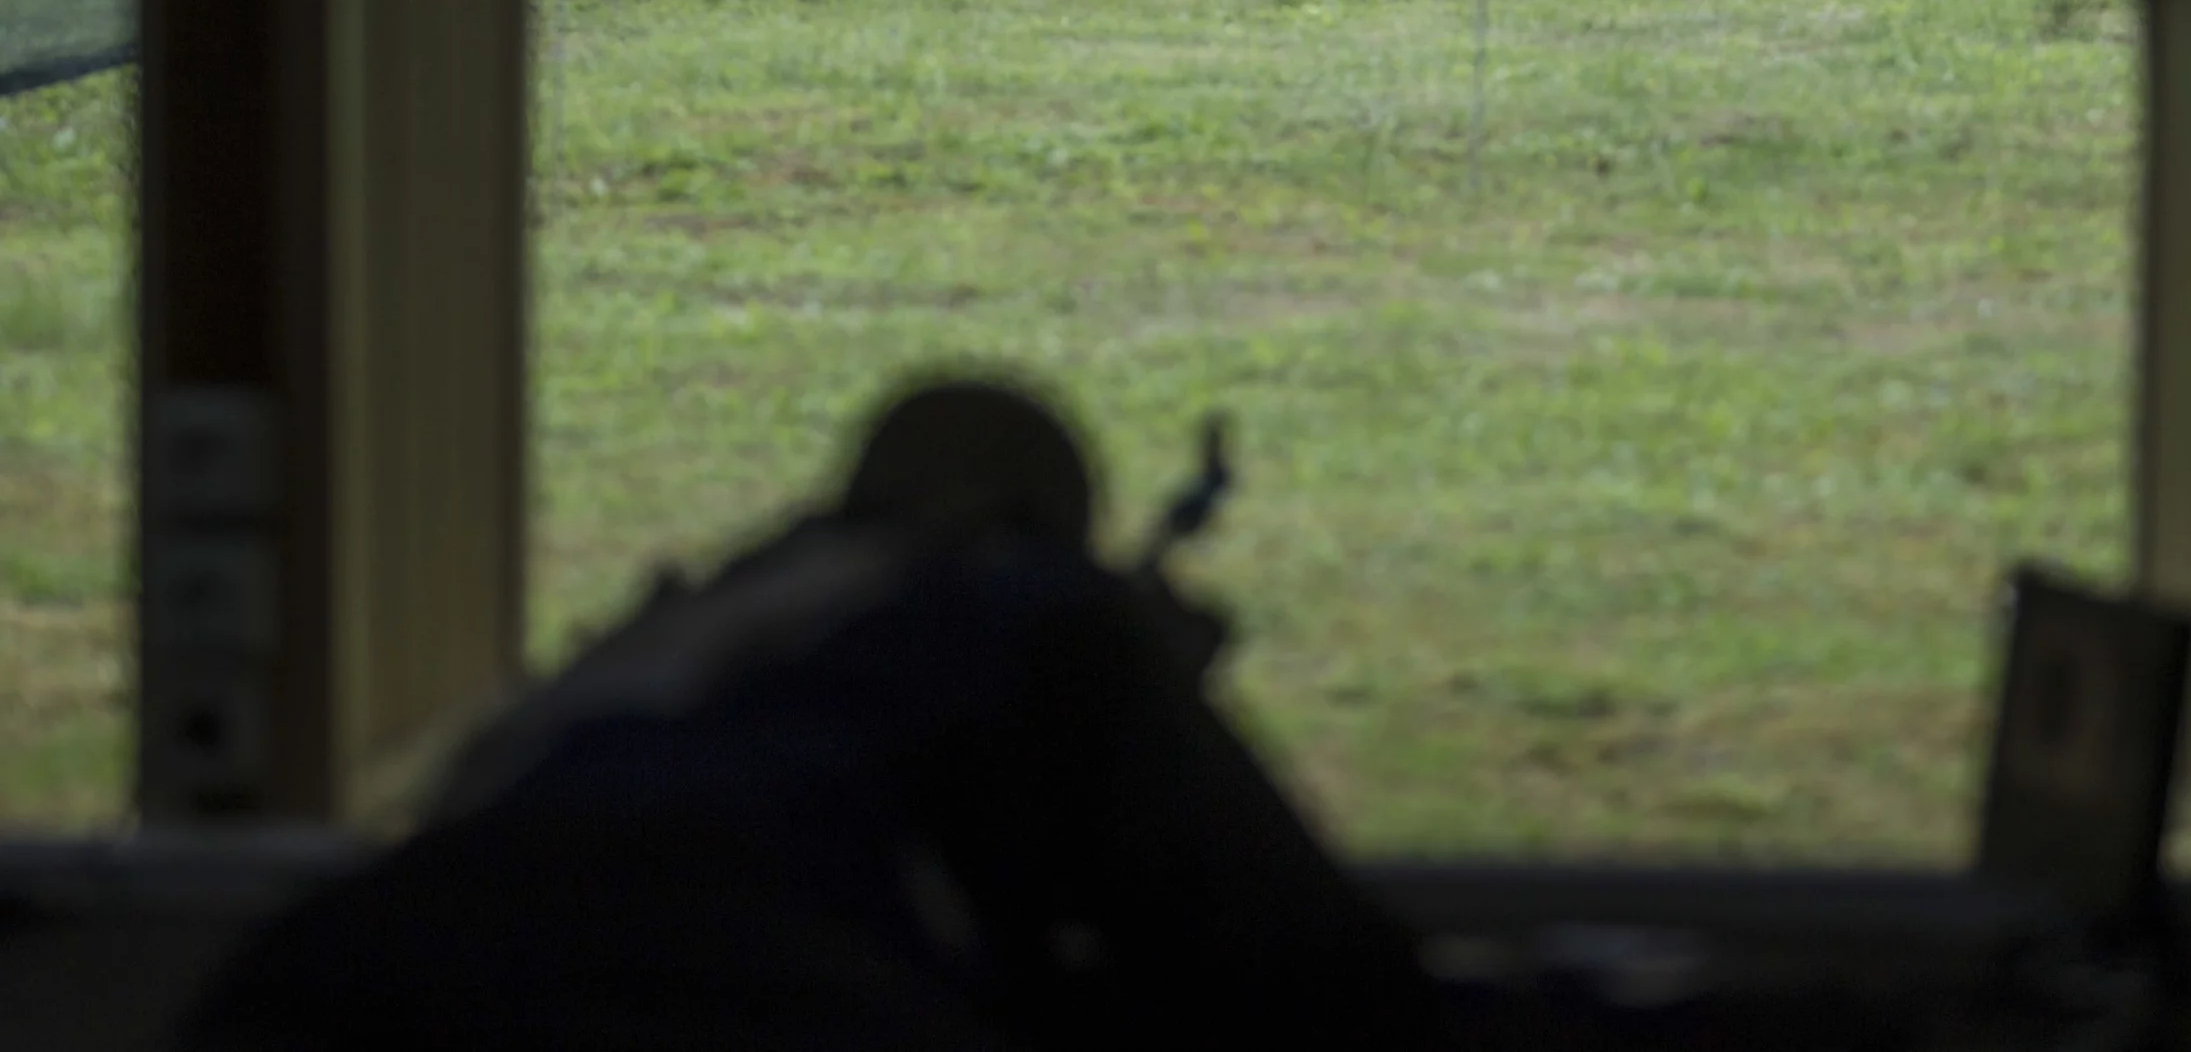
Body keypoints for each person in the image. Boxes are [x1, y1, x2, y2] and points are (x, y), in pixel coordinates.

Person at [180, 376, 1440, 1051]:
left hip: (326, 980)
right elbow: (1311, 974)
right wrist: (1142, 683)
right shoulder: (1022, 604)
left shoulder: (659, 640)